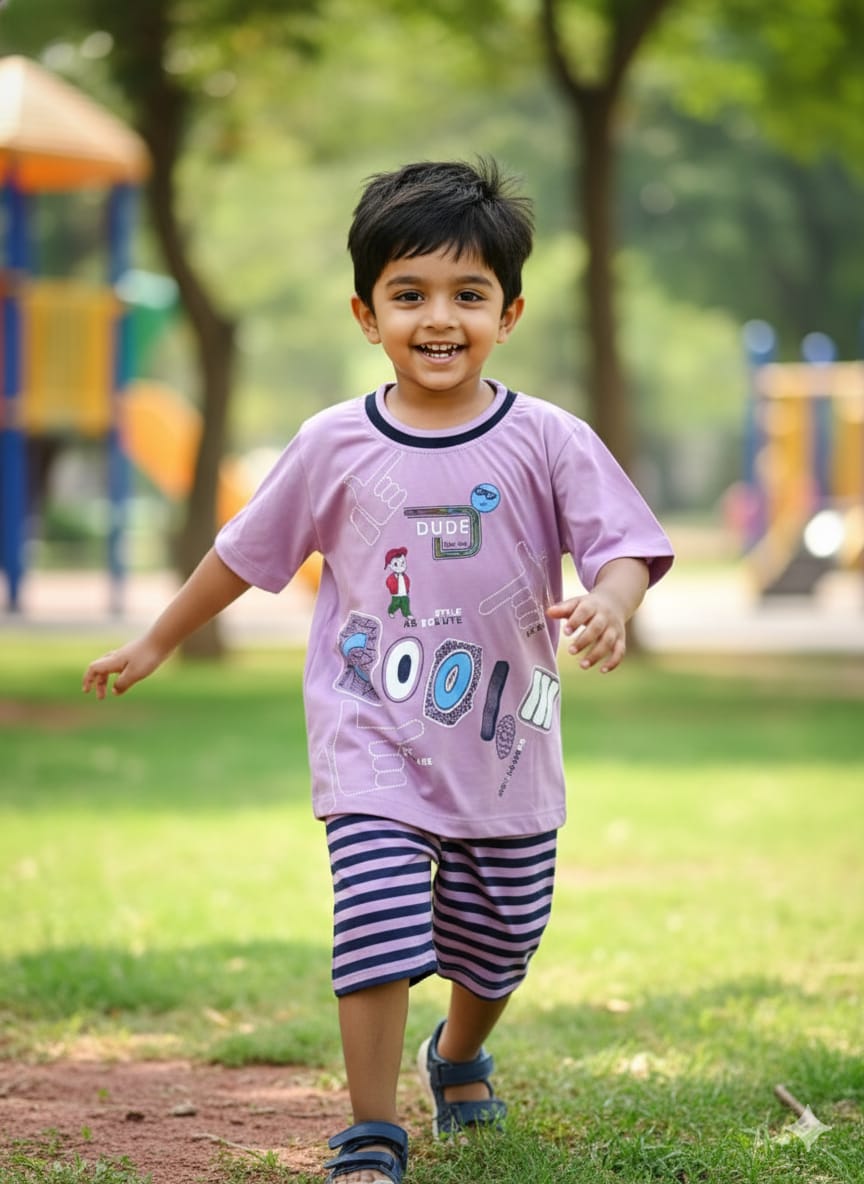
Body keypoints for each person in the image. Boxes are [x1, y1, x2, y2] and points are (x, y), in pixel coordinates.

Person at [83, 158, 674, 1184]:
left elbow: (621, 541)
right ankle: (370, 1129)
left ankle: (456, 1053)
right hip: (372, 741)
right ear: (367, 313)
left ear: (509, 310)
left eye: (467, 294)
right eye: (409, 294)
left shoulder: (547, 440)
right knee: (376, 919)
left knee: (503, 938)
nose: (437, 318)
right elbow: (243, 551)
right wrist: (158, 636)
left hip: (504, 745)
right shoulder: (332, 444)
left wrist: (614, 602)